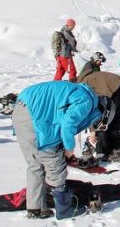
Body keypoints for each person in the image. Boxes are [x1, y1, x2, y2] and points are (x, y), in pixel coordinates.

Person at [12, 80, 102, 219]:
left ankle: (35, 209)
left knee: (35, 164)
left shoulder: (75, 91)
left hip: (20, 112)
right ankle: (64, 209)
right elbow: (68, 124)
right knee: (54, 162)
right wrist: (69, 148)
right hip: (35, 118)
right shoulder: (87, 100)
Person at [81, 71, 120, 162]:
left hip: (113, 92)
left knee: (103, 123)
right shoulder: (88, 80)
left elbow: (91, 110)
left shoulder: (82, 88)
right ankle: (115, 150)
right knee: (116, 122)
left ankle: (103, 151)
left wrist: (93, 131)